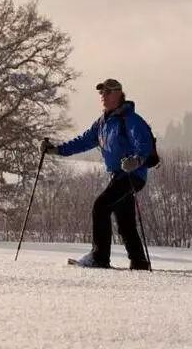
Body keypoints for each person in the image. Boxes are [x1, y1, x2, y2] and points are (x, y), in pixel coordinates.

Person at [40, 78, 152, 270]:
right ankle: (139, 262)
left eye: (107, 92)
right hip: (118, 176)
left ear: (118, 94)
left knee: (101, 206)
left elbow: (144, 143)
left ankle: (99, 258)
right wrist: (56, 150)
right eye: (101, 93)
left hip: (132, 175)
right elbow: (82, 142)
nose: (103, 96)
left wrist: (137, 160)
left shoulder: (131, 119)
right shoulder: (102, 123)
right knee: (124, 221)